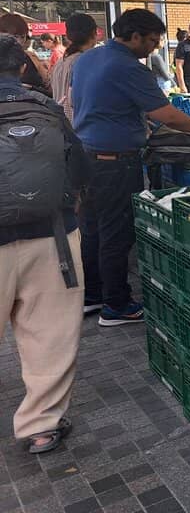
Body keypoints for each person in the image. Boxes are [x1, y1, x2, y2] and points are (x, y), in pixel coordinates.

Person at [73, 9, 190, 326]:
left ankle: (93, 296)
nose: (153, 49)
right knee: (117, 232)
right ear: (135, 36)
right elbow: (165, 114)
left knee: (93, 230)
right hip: (115, 162)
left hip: (86, 156)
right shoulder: (128, 67)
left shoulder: (86, 58)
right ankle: (117, 305)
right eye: (152, 42)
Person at [0, 33, 87, 454]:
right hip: (52, 236)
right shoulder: (46, 107)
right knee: (49, 334)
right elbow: (80, 167)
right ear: (20, 68)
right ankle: (41, 426)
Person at [50, 13, 99, 123]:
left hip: (61, 124)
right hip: (79, 126)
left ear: (67, 36)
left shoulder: (60, 62)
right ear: (94, 33)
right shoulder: (86, 61)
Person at [0, 14, 50, 96]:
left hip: (32, 104)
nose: (19, 41)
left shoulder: (31, 56)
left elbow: (49, 86)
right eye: (14, 36)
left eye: (22, 37)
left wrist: (32, 88)